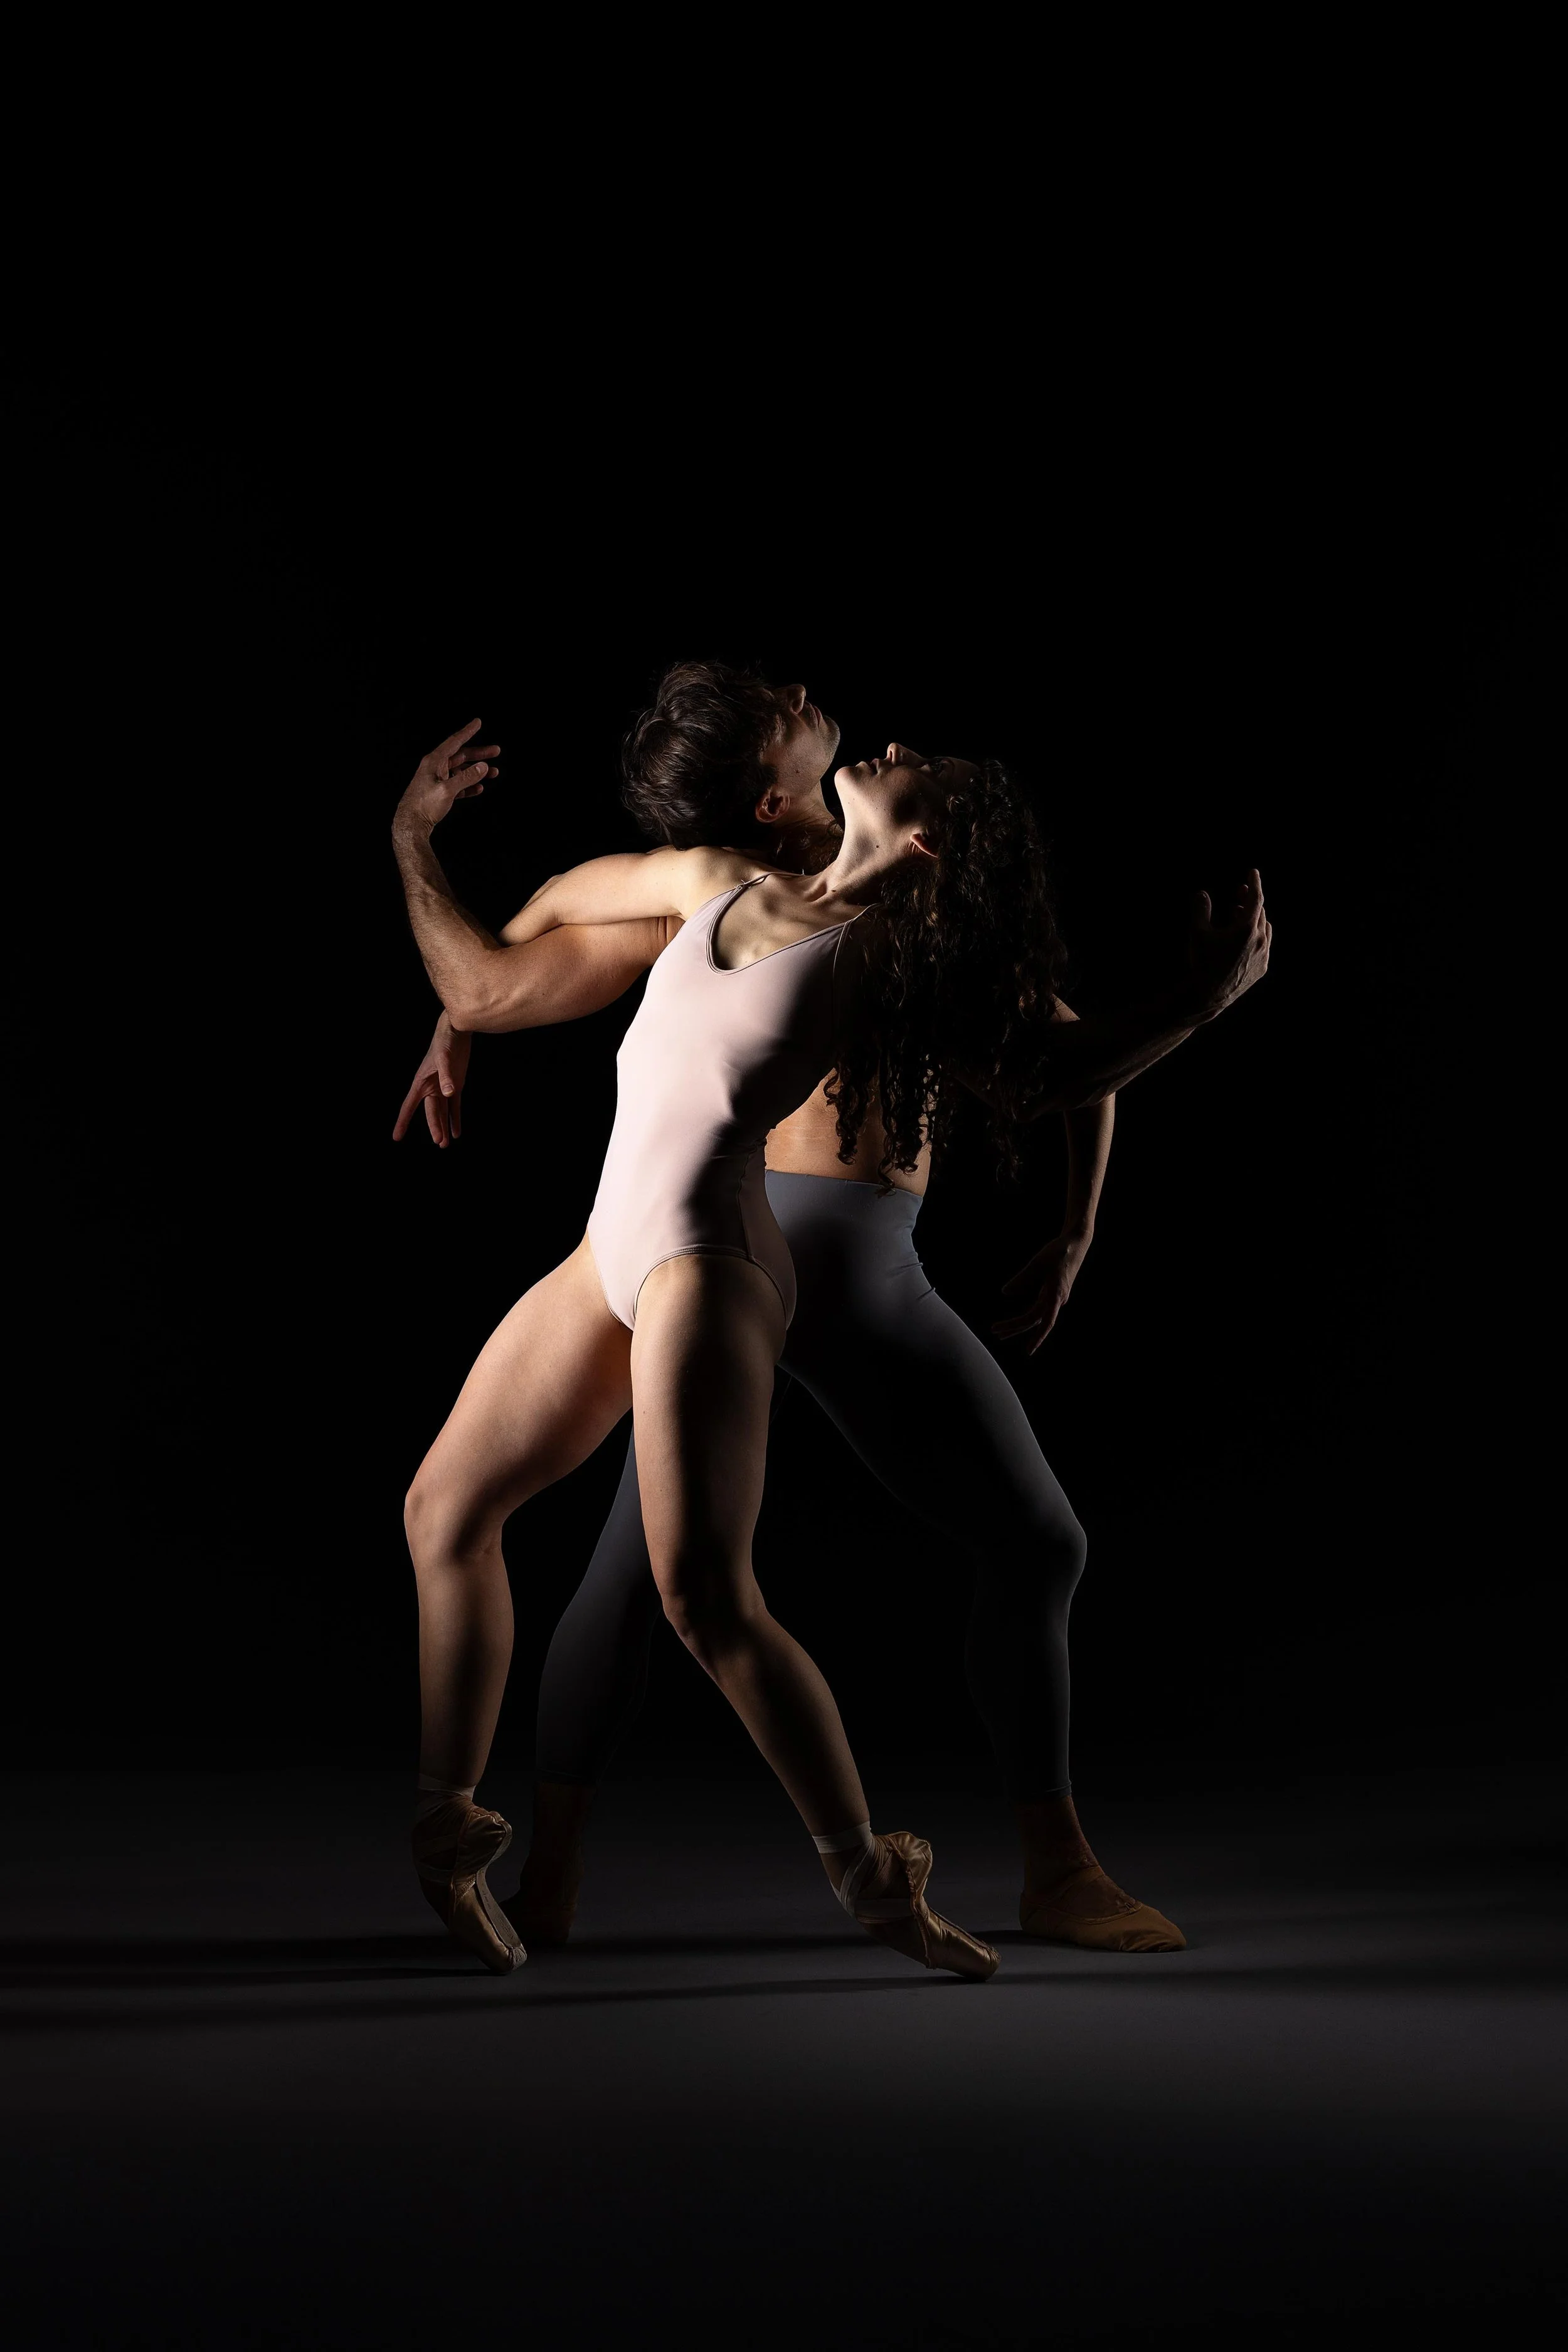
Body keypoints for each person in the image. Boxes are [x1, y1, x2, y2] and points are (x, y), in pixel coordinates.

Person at [391, 670, 1272, 1973]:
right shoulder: (715, 877)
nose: (870, 727)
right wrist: (455, 1015)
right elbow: (532, 941)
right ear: (773, 794)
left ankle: (976, 1871)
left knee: (689, 1584)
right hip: (717, 1245)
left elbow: (1052, 1060)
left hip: (768, 1252)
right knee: (626, 1570)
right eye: (799, 725)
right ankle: (540, 1870)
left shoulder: (901, 935)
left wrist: (1085, 1212)